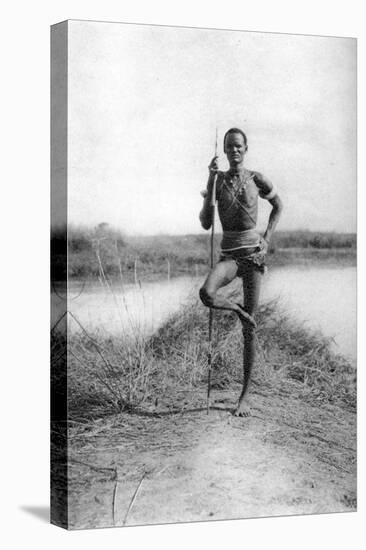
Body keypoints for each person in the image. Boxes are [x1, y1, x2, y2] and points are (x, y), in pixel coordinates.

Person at [199, 128, 283, 417]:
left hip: (254, 259)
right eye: (229, 147)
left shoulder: (256, 179)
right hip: (230, 257)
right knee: (207, 293)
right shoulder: (218, 181)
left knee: (250, 331)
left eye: (238, 146)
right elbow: (206, 223)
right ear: (224, 151)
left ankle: (244, 398)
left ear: (246, 149)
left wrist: (267, 239)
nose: (234, 151)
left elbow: (278, 205)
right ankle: (238, 310)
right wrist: (210, 179)